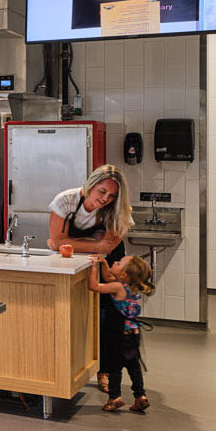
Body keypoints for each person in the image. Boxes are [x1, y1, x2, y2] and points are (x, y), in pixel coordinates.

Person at [47, 165, 134, 394]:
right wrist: (95, 243)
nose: (106, 199)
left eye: (113, 195)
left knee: (109, 319)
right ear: (90, 185)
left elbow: (107, 248)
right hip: (73, 266)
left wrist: (71, 243)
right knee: (77, 316)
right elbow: (57, 243)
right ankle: (75, 369)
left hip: (109, 267)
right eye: (102, 191)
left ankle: (105, 371)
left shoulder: (120, 210)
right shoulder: (65, 201)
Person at [88, 255, 155, 413]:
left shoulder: (118, 287)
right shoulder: (129, 285)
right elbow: (109, 276)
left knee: (114, 365)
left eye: (118, 262)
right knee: (133, 365)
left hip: (119, 333)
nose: (115, 262)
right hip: (133, 332)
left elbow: (94, 286)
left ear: (124, 274)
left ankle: (114, 398)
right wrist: (104, 263)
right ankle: (140, 396)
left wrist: (93, 267)